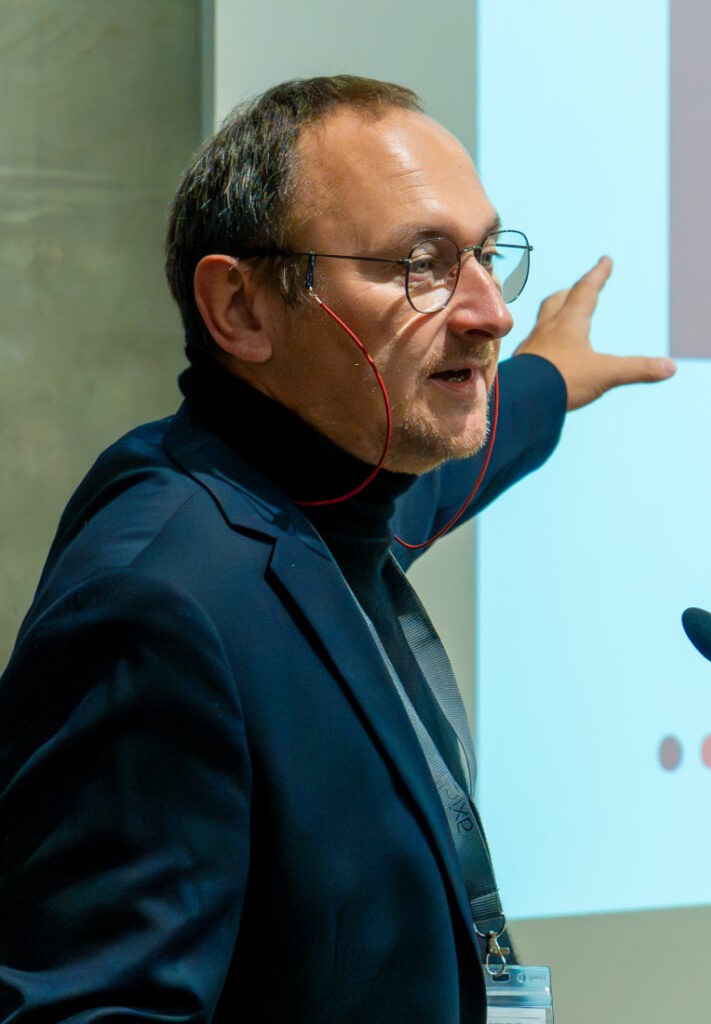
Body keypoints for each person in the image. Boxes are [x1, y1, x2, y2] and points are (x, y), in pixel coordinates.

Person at [0, 75, 674, 1023]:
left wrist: (547, 381)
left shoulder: (326, 488)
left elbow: (432, 486)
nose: (491, 313)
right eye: (422, 264)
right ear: (241, 308)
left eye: (485, 256)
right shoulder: (155, 603)